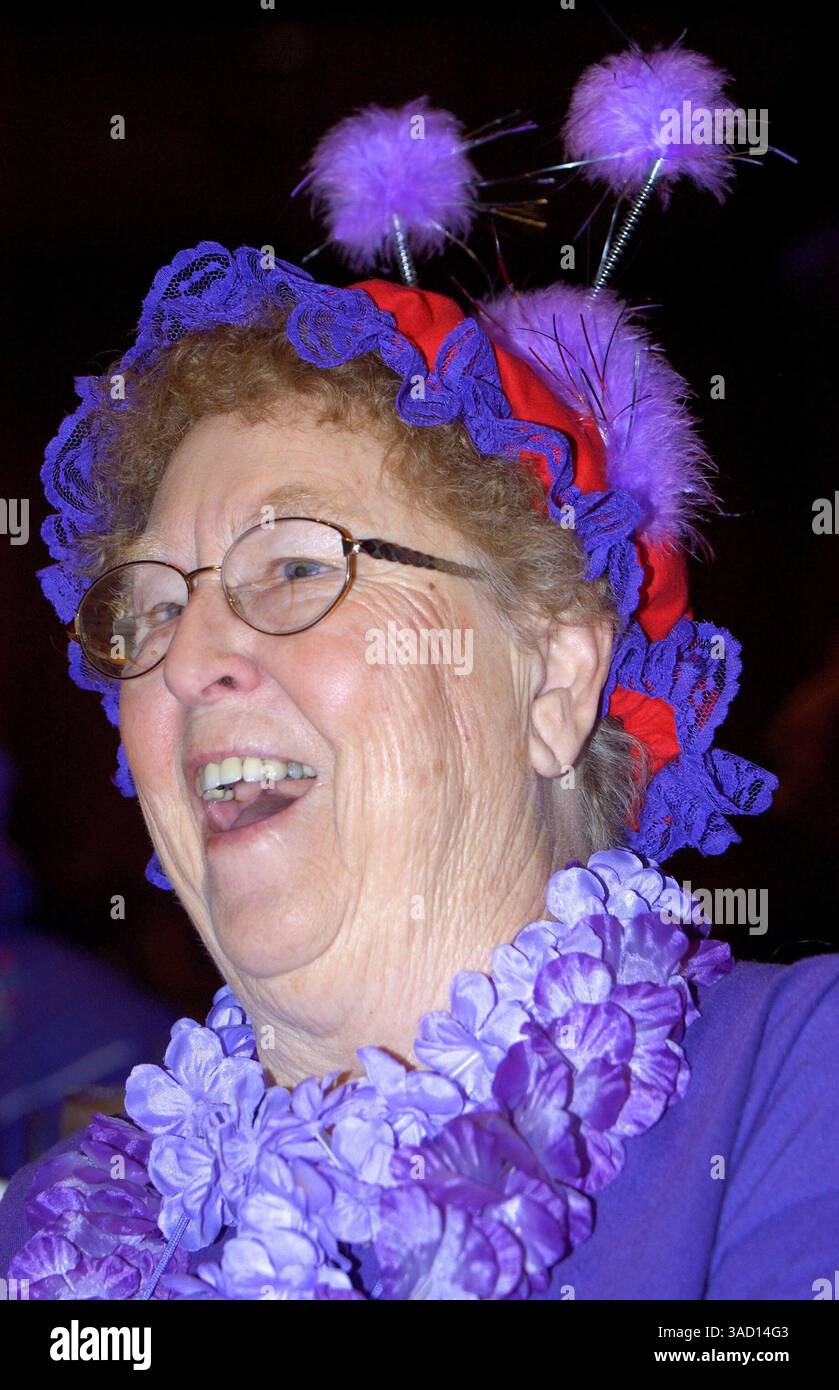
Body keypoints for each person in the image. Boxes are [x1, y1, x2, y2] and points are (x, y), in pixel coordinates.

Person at [2, 46, 837, 1300]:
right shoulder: (56, 1231)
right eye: (153, 607)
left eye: (293, 566)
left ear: (551, 680)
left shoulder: (792, 1081)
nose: (187, 658)